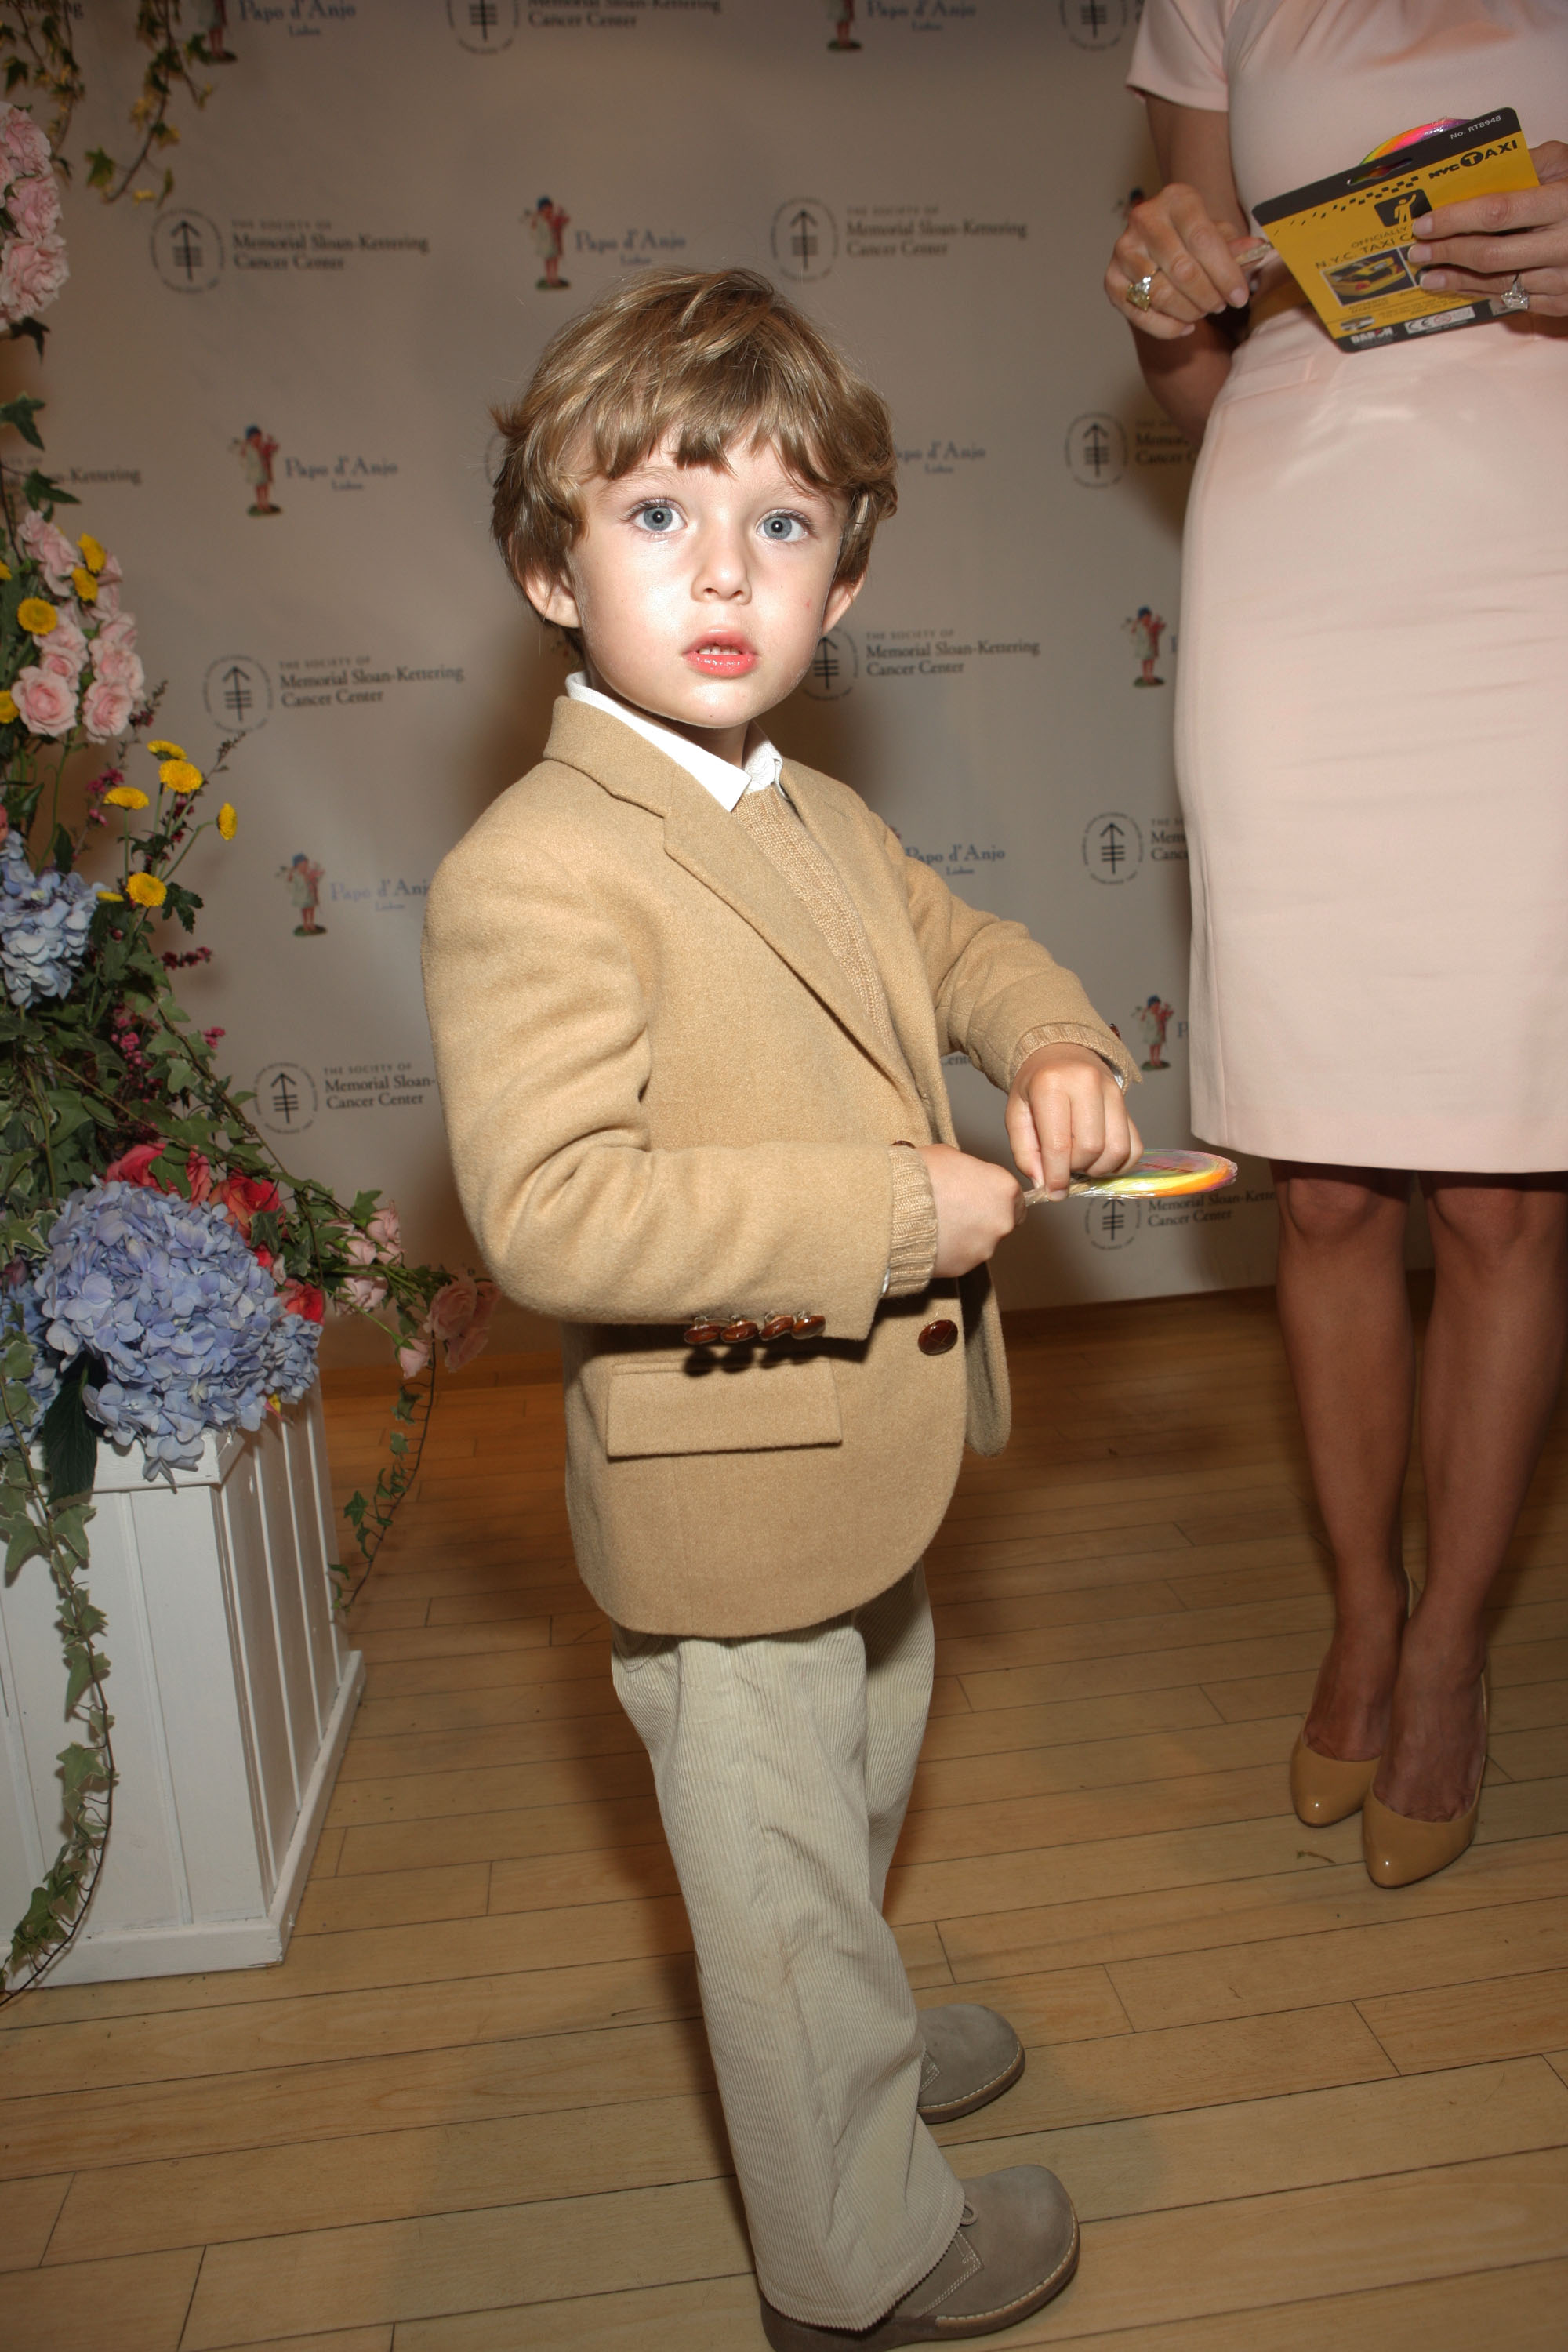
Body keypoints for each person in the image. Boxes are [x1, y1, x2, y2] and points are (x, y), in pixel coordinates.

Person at [422, 269, 1140, 2347]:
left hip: (869, 1468)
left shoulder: (818, 810)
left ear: (843, 575)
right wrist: (891, 1212)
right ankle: (861, 2259)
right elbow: (555, 1212)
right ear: (548, 566)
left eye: (782, 522)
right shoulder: (536, 868)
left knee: (842, 1819)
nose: (722, 567)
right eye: (654, 514)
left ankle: (851, 2060)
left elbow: (969, 945)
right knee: (774, 1877)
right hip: (724, 1498)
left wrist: (1057, 1042)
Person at [1104, 2, 1568, 1888]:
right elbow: (1192, 373)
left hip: (1535, 548)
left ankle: (1449, 1651)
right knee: (1318, 1189)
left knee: (1507, 1199)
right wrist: (1161, 296)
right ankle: (1359, 1617)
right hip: (1297, 537)